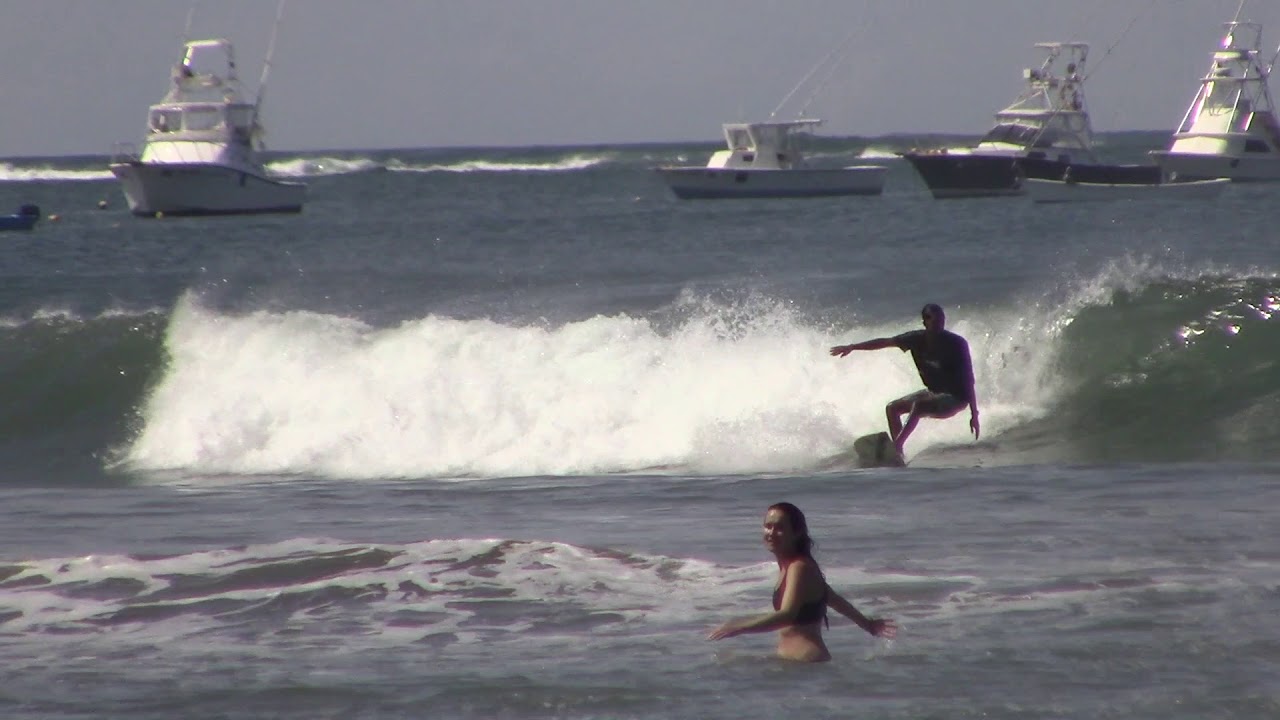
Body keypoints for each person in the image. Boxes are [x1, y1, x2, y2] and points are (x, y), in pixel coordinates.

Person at [707, 502, 896, 662]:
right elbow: (832, 598)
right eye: (768, 526)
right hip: (796, 666)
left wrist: (739, 627)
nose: (771, 532)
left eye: (780, 528)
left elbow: (787, 615)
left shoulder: (800, 567)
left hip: (806, 664)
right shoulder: (790, 566)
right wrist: (867, 625)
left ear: (796, 533)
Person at [829, 303, 979, 459]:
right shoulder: (916, 339)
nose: (938, 324)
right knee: (892, 408)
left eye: (941, 320)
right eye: (934, 320)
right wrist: (852, 347)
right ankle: (898, 455)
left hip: (956, 398)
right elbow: (885, 342)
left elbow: (969, 379)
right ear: (925, 322)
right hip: (933, 393)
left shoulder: (956, 344)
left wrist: (974, 414)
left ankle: (897, 445)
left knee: (919, 405)